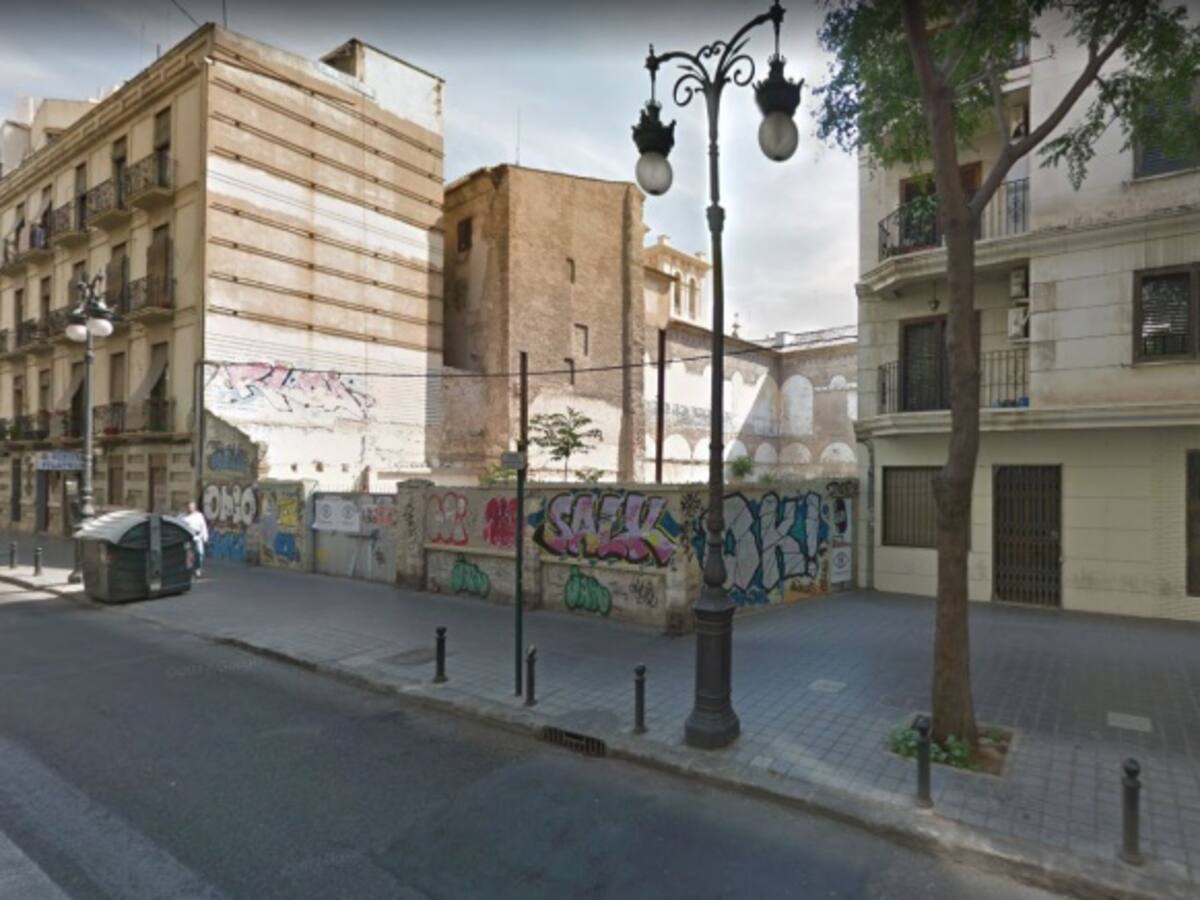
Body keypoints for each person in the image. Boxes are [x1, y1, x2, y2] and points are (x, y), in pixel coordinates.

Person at [181, 500, 209, 578]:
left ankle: (198, 569)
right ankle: (189, 570)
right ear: (186, 507)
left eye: (192, 507)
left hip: (197, 537)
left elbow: (203, 527)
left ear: (195, 508)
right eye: (189, 507)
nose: (190, 509)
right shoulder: (182, 516)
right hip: (186, 538)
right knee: (188, 554)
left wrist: (205, 537)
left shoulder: (199, 516)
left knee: (199, 553)